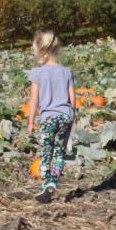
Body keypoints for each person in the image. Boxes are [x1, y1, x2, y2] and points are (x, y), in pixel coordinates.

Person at [25, 29, 75, 204]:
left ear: (42, 52)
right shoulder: (67, 71)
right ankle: (54, 180)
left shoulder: (38, 73)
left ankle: (47, 185)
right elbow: (72, 98)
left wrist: (31, 122)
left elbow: (34, 100)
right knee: (59, 152)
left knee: (46, 152)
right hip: (65, 116)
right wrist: (71, 117)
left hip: (48, 118)